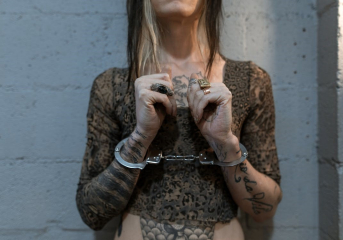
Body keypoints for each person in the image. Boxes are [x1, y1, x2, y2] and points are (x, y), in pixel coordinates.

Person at [75, 0, 283, 239]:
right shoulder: (111, 85)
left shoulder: (250, 82)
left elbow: (265, 209)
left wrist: (225, 143)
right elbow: (92, 213)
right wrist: (140, 138)